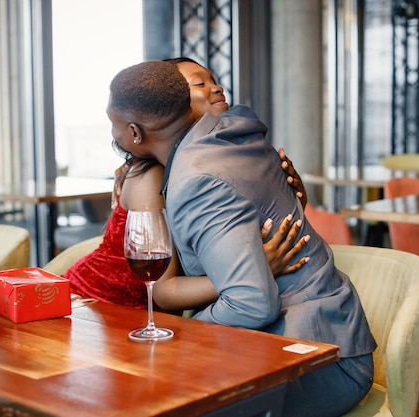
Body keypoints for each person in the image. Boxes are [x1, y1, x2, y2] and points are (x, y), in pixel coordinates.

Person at [106, 60, 376, 417]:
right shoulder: (233, 129)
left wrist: (180, 338)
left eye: (114, 124)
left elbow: (251, 302)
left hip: (317, 360)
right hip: (331, 332)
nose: (112, 133)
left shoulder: (195, 181)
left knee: (146, 400)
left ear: (136, 133)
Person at [64, 57, 308, 310]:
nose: (216, 88)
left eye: (213, 80)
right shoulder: (158, 176)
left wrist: (293, 197)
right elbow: (164, 288)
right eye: (197, 84)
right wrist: (251, 274)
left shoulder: (222, 159)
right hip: (97, 306)